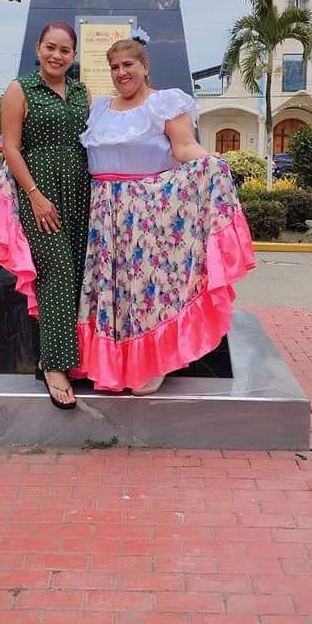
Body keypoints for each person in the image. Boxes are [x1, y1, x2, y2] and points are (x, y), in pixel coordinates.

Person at [72, 37, 255, 395]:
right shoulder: (99, 109)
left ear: (145, 67)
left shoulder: (164, 103)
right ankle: (110, 363)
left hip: (147, 211)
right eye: (114, 67)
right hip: (102, 213)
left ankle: (151, 362)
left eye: (128, 65)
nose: (121, 73)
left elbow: (184, 147)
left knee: (145, 289)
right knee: (110, 290)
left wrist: (211, 164)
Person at [0, 22, 90, 409]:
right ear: (38, 49)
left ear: (73, 55)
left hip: (80, 191)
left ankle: (75, 356)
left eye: (65, 50)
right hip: (39, 192)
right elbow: (10, 148)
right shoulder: (20, 89)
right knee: (56, 270)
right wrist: (35, 196)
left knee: (77, 272)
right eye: (50, 47)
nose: (57, 55)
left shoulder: (81, 92)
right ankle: (53, 365)